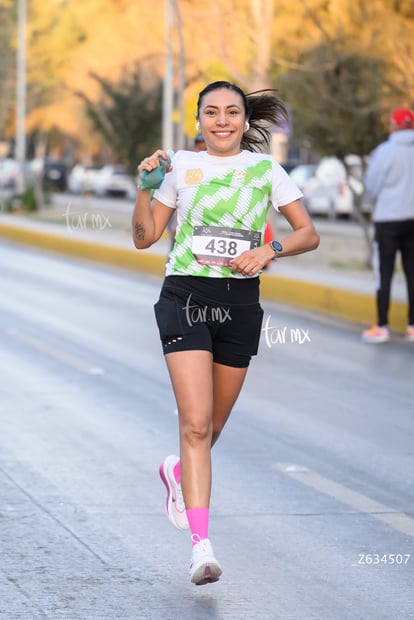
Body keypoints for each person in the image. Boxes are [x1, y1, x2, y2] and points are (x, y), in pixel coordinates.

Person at [132, 80, 319, 585]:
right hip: (186, 297)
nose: (221, 120)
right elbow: (145, 239)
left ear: (243, 120)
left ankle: (176, 472)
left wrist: (268, 251)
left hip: (240, 304)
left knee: (212, 426)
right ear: (198, 120)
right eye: (211, 112)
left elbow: (308, 232)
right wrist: (145, 190)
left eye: (231, 112)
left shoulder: (265, 170)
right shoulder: (180, 166)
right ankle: (201, 547)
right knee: (194, 424)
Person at [362, 107, 414, 343]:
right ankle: (412, 327)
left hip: (388, 220)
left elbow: (372, 185)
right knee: (412, 273)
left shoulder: (384, 152)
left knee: (384, 273)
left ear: (393, 126)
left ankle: (382, 326)